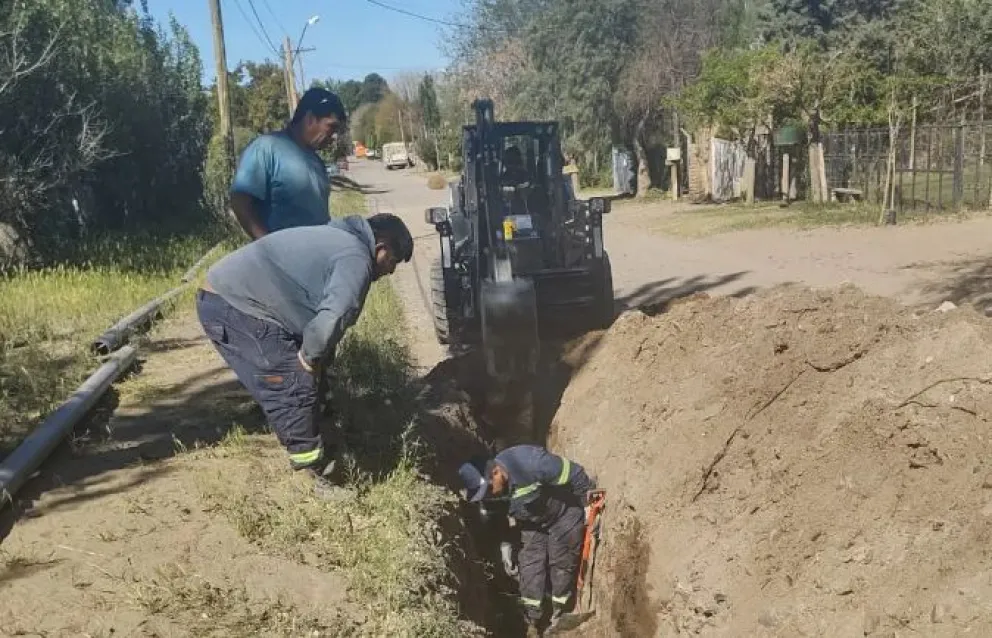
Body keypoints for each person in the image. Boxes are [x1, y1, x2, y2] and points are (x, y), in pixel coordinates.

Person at [196, 213, 413, 492]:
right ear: (380, 246)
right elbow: (334, 317)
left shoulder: (339, 239)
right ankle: (308, 478)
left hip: (235, 300)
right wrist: (308, 359)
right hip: (236, 306)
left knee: (310, 378)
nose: (390, 272)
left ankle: (327, 445)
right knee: (294, 386)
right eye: (393, 262)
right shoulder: (356, 258)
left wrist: (317, 362)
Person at [460, 445, 596, 636]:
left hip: (563, 514)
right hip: (532, 523)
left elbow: (575, 474)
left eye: (489, 490)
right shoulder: (491, 493)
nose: (490, 495)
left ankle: (560, 613)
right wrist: (505, 545)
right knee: (530, 567)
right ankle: (533, 620)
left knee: (561, 563)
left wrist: (588, 506)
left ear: (496, 472)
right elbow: (499, 521)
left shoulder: (532, 462)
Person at [229, 87, 348, 240]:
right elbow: (240, 202)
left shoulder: (317, 162)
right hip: (280, 261)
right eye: (331, 127)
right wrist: (268, 247)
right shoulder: (266, 148)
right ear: (310, 118)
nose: (334, 136)